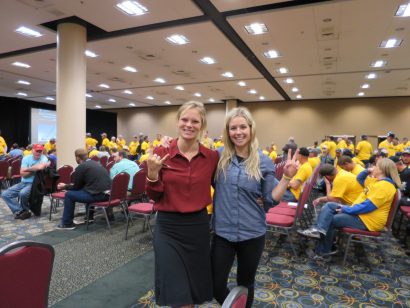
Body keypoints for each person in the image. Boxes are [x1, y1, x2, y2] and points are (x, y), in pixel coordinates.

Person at [211, 107, 298, 308]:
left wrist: (286, 177)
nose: (238, 132)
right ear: (227, 131)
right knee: (215, 285)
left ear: (251, 129)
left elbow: (271, 198)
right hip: (223, 232)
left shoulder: (263, 161)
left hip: (252, 233)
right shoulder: (219, 157)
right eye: (233, 128)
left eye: (243, 127)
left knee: (246, 283)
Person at [145, 101, 219, 307]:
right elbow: (154, 196)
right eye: (184, 119)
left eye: (195, 121)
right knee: (178, 290)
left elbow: (221, 186)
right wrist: (152, 174)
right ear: (177, 122)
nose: (189, 124)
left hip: (198, 228)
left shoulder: (211, 157)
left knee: (194, 288)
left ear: (202, 126)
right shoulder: (161, 153)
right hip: (168, 228)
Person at [298, 158, 401, 260]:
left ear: (382, 170)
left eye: (375, 166)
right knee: (329, 206)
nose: (372, 167)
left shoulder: (385, 186)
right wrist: (366, 171)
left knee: (331, 219)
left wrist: (346, 209)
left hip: (368, 221)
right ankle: (319, 231)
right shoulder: (377, 181)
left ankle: (323, 252)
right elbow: (359, 179)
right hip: (361, 214)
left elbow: (367, 207)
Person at [57, 148, 111, 229]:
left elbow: (76, 187)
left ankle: (67, 224)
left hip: (98, 196)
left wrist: (65, 186)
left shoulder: (81, 167)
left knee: (68, 195)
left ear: (77, 157)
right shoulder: (97, 163)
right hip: (108, 195)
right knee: (87, 190)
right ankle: (89, 218)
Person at [1, 144, 49, 219]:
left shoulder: (43, 157)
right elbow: (23, 174)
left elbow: (40, 167)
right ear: (32, 150)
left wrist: (27, 169)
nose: (38, 153)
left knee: (22, 193)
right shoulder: (26, 158)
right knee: (5, 194)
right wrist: (34, 170)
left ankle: (24, 211)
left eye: (40, 151)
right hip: (23, 183)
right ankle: (21, 211)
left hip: (33, 183)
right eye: (37, 151)